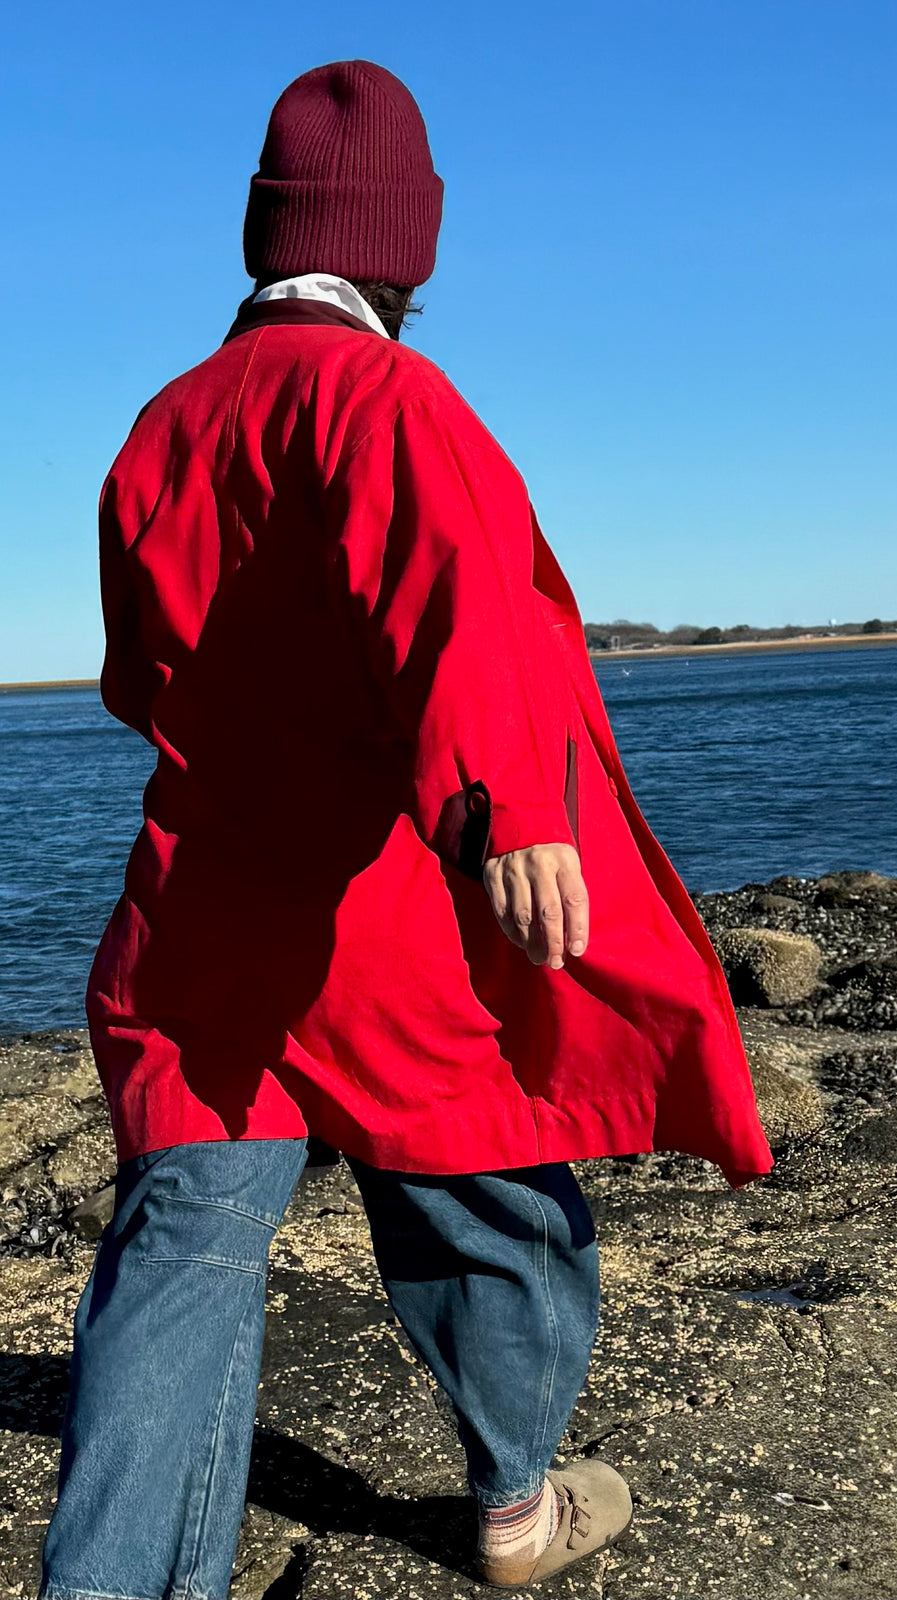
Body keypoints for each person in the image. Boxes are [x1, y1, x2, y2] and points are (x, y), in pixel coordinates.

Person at [39, 59, 772, 1600]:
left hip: (204, 913)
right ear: (404, 248)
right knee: (491, 1201)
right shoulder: (389, 397)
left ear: (267, 233)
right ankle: (514, 1504)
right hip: (378, 920)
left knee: (178, 1257)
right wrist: (507, 807)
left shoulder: (160, 427)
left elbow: (131, 682)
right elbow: (459, 602)